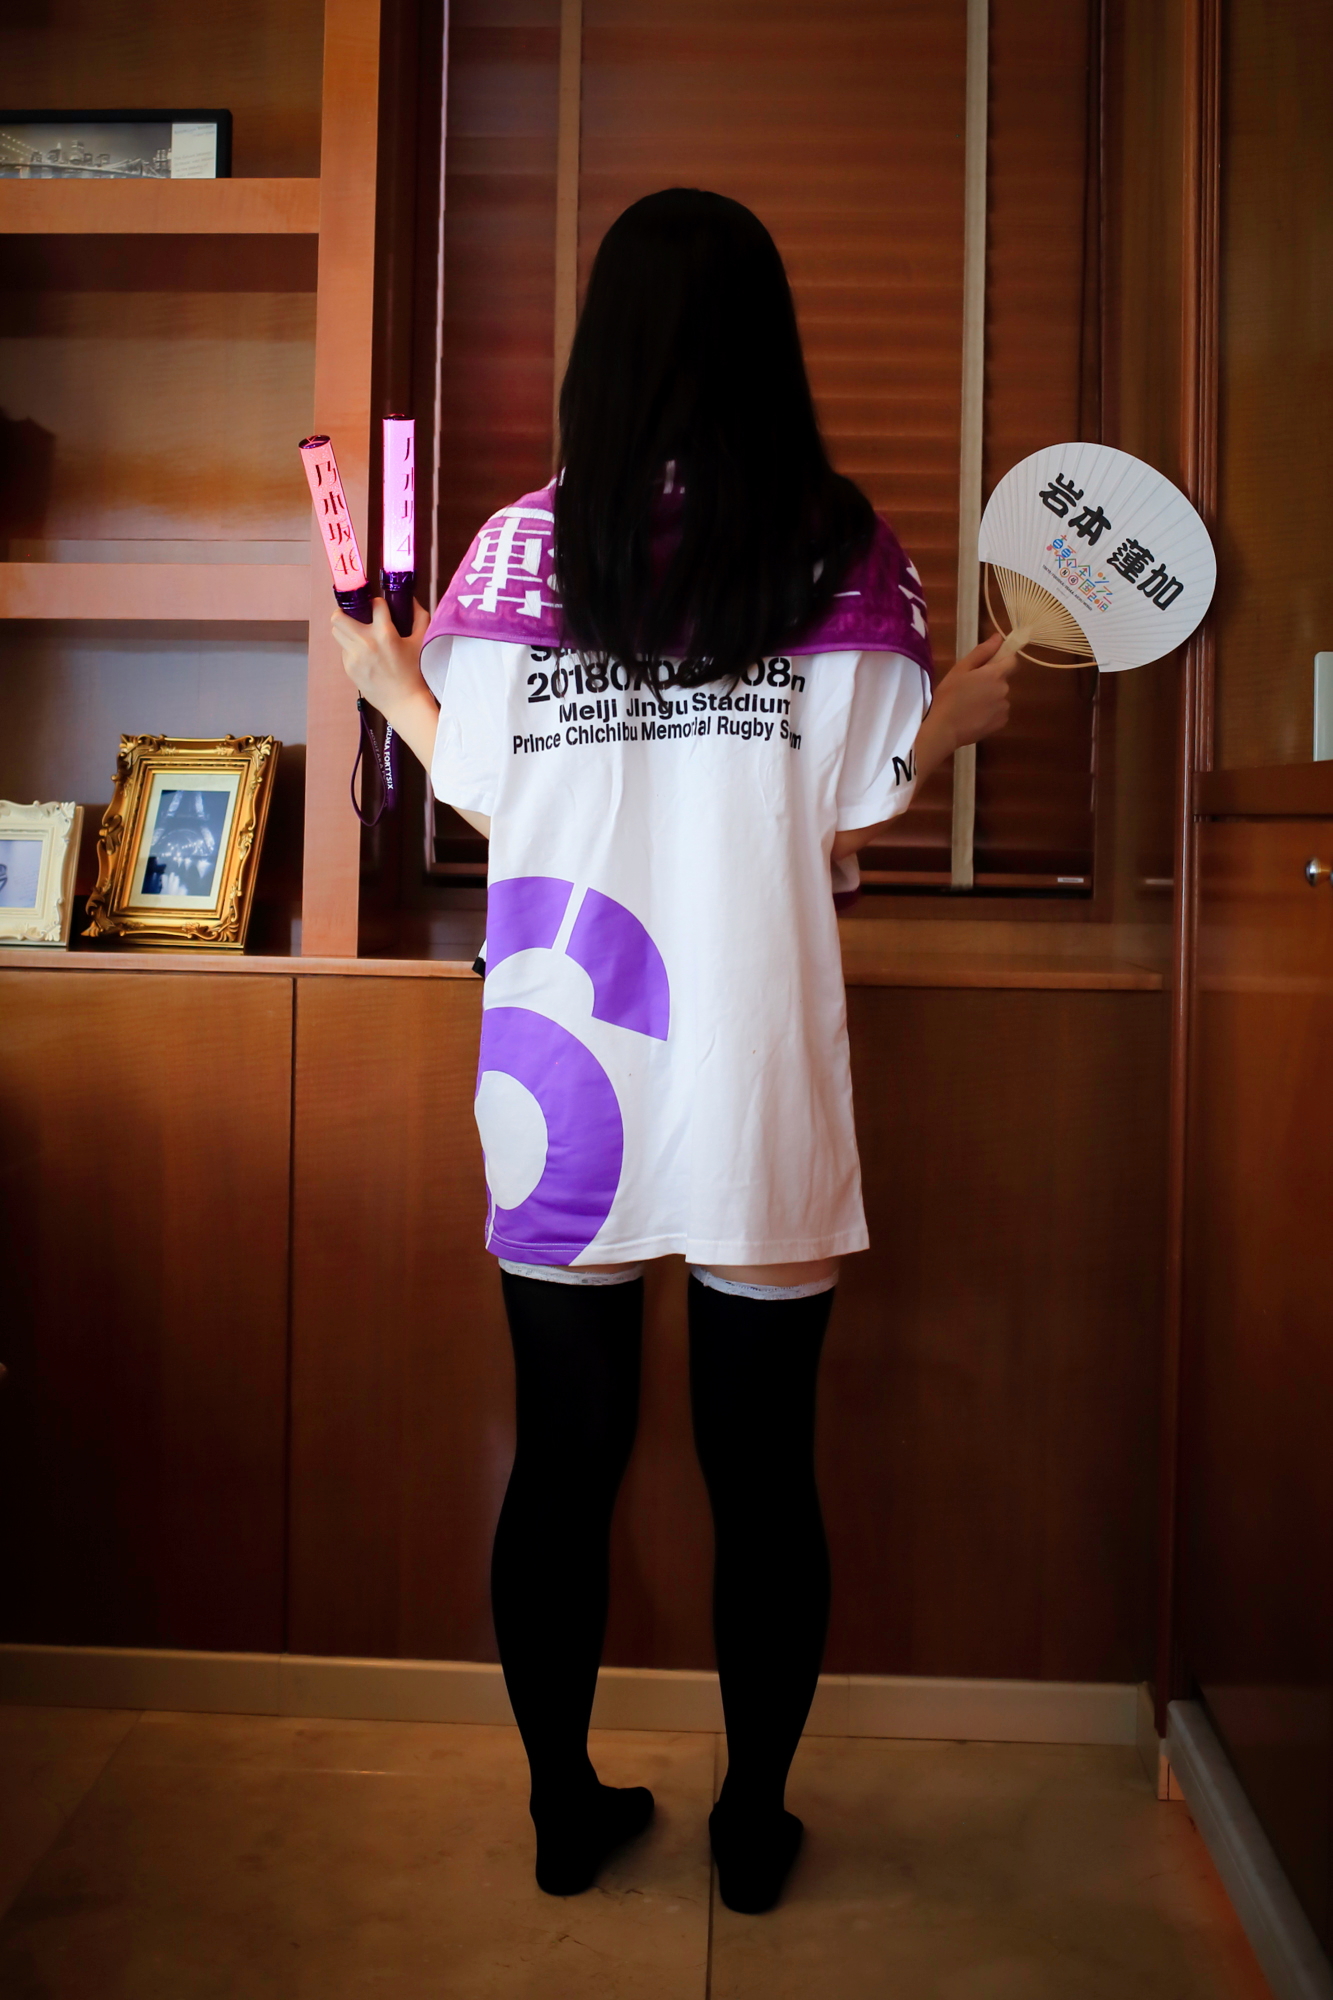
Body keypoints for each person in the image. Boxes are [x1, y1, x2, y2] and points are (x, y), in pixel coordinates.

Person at [331, 188, 1014, 1915]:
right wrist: (951, 720)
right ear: (767, 343)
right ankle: (753, 1826)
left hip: (560, 1073)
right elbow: (855, 797)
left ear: (602, 343)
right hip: (756, 1067)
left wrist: (387, 683)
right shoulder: (834, 545)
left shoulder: (513, 553)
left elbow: (487, 791)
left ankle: (563, 1810)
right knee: (763, 1476)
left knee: (561, 1463)